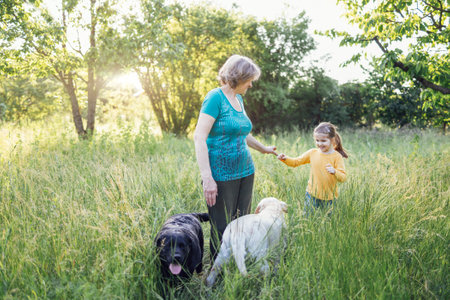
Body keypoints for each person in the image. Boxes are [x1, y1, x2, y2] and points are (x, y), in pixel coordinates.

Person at [194, 54, 277, 259]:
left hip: (245, 171)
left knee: (242, 222)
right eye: (249, 80)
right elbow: (199, 137)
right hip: (221, 175)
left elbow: (242, 133)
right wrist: (207, 178)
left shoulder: (238, 98)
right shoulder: (215, 98)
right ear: (238, 77)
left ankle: (239, 262)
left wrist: (263, 148)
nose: (250, 85)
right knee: (222, 227)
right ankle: (217, 272)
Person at [277, 122, 348, 216]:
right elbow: (296, 162)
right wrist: (285, 159)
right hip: (311, 194)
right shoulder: (312, 153)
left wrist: (335, 171)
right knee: (308, 217)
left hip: (330, 198)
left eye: (323, 141)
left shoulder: (337, 157)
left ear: (332, 140)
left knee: (328, 221)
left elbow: (343, 178)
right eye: (317, 140)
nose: (319, 144)